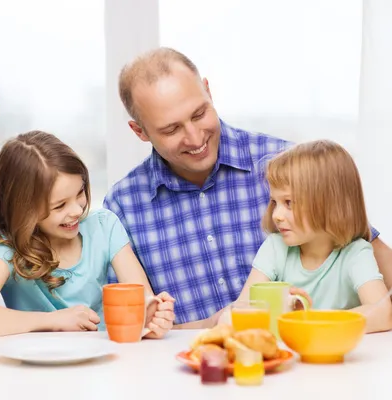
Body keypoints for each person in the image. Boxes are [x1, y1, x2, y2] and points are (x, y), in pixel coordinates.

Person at [103, 47, 392, 329]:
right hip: (189, 369)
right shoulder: (123, 206)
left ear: (208, 91)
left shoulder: (285, 167)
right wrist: (210, 324)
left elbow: (358, 244)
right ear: (139, 131)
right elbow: (134, 329)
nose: (194, 138)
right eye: (172, 130)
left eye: (199, 114)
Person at [0, 131, 175, 338]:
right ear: (25, 210)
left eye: (80, 192)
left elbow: (142, 299)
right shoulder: (11, 248)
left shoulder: (104, 227)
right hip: (37, 366)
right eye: (60, 205)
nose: (76, 210)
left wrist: (151, 319)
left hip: (101, 360)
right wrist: (52, 321)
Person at [222, 140, 392, 333]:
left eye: (289, 203)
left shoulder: (356, 253)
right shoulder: (275, 248)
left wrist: (311, 320)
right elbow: (241, 308)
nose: (276, 215)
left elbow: (383, 313)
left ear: (329, 204)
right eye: (274, 202)